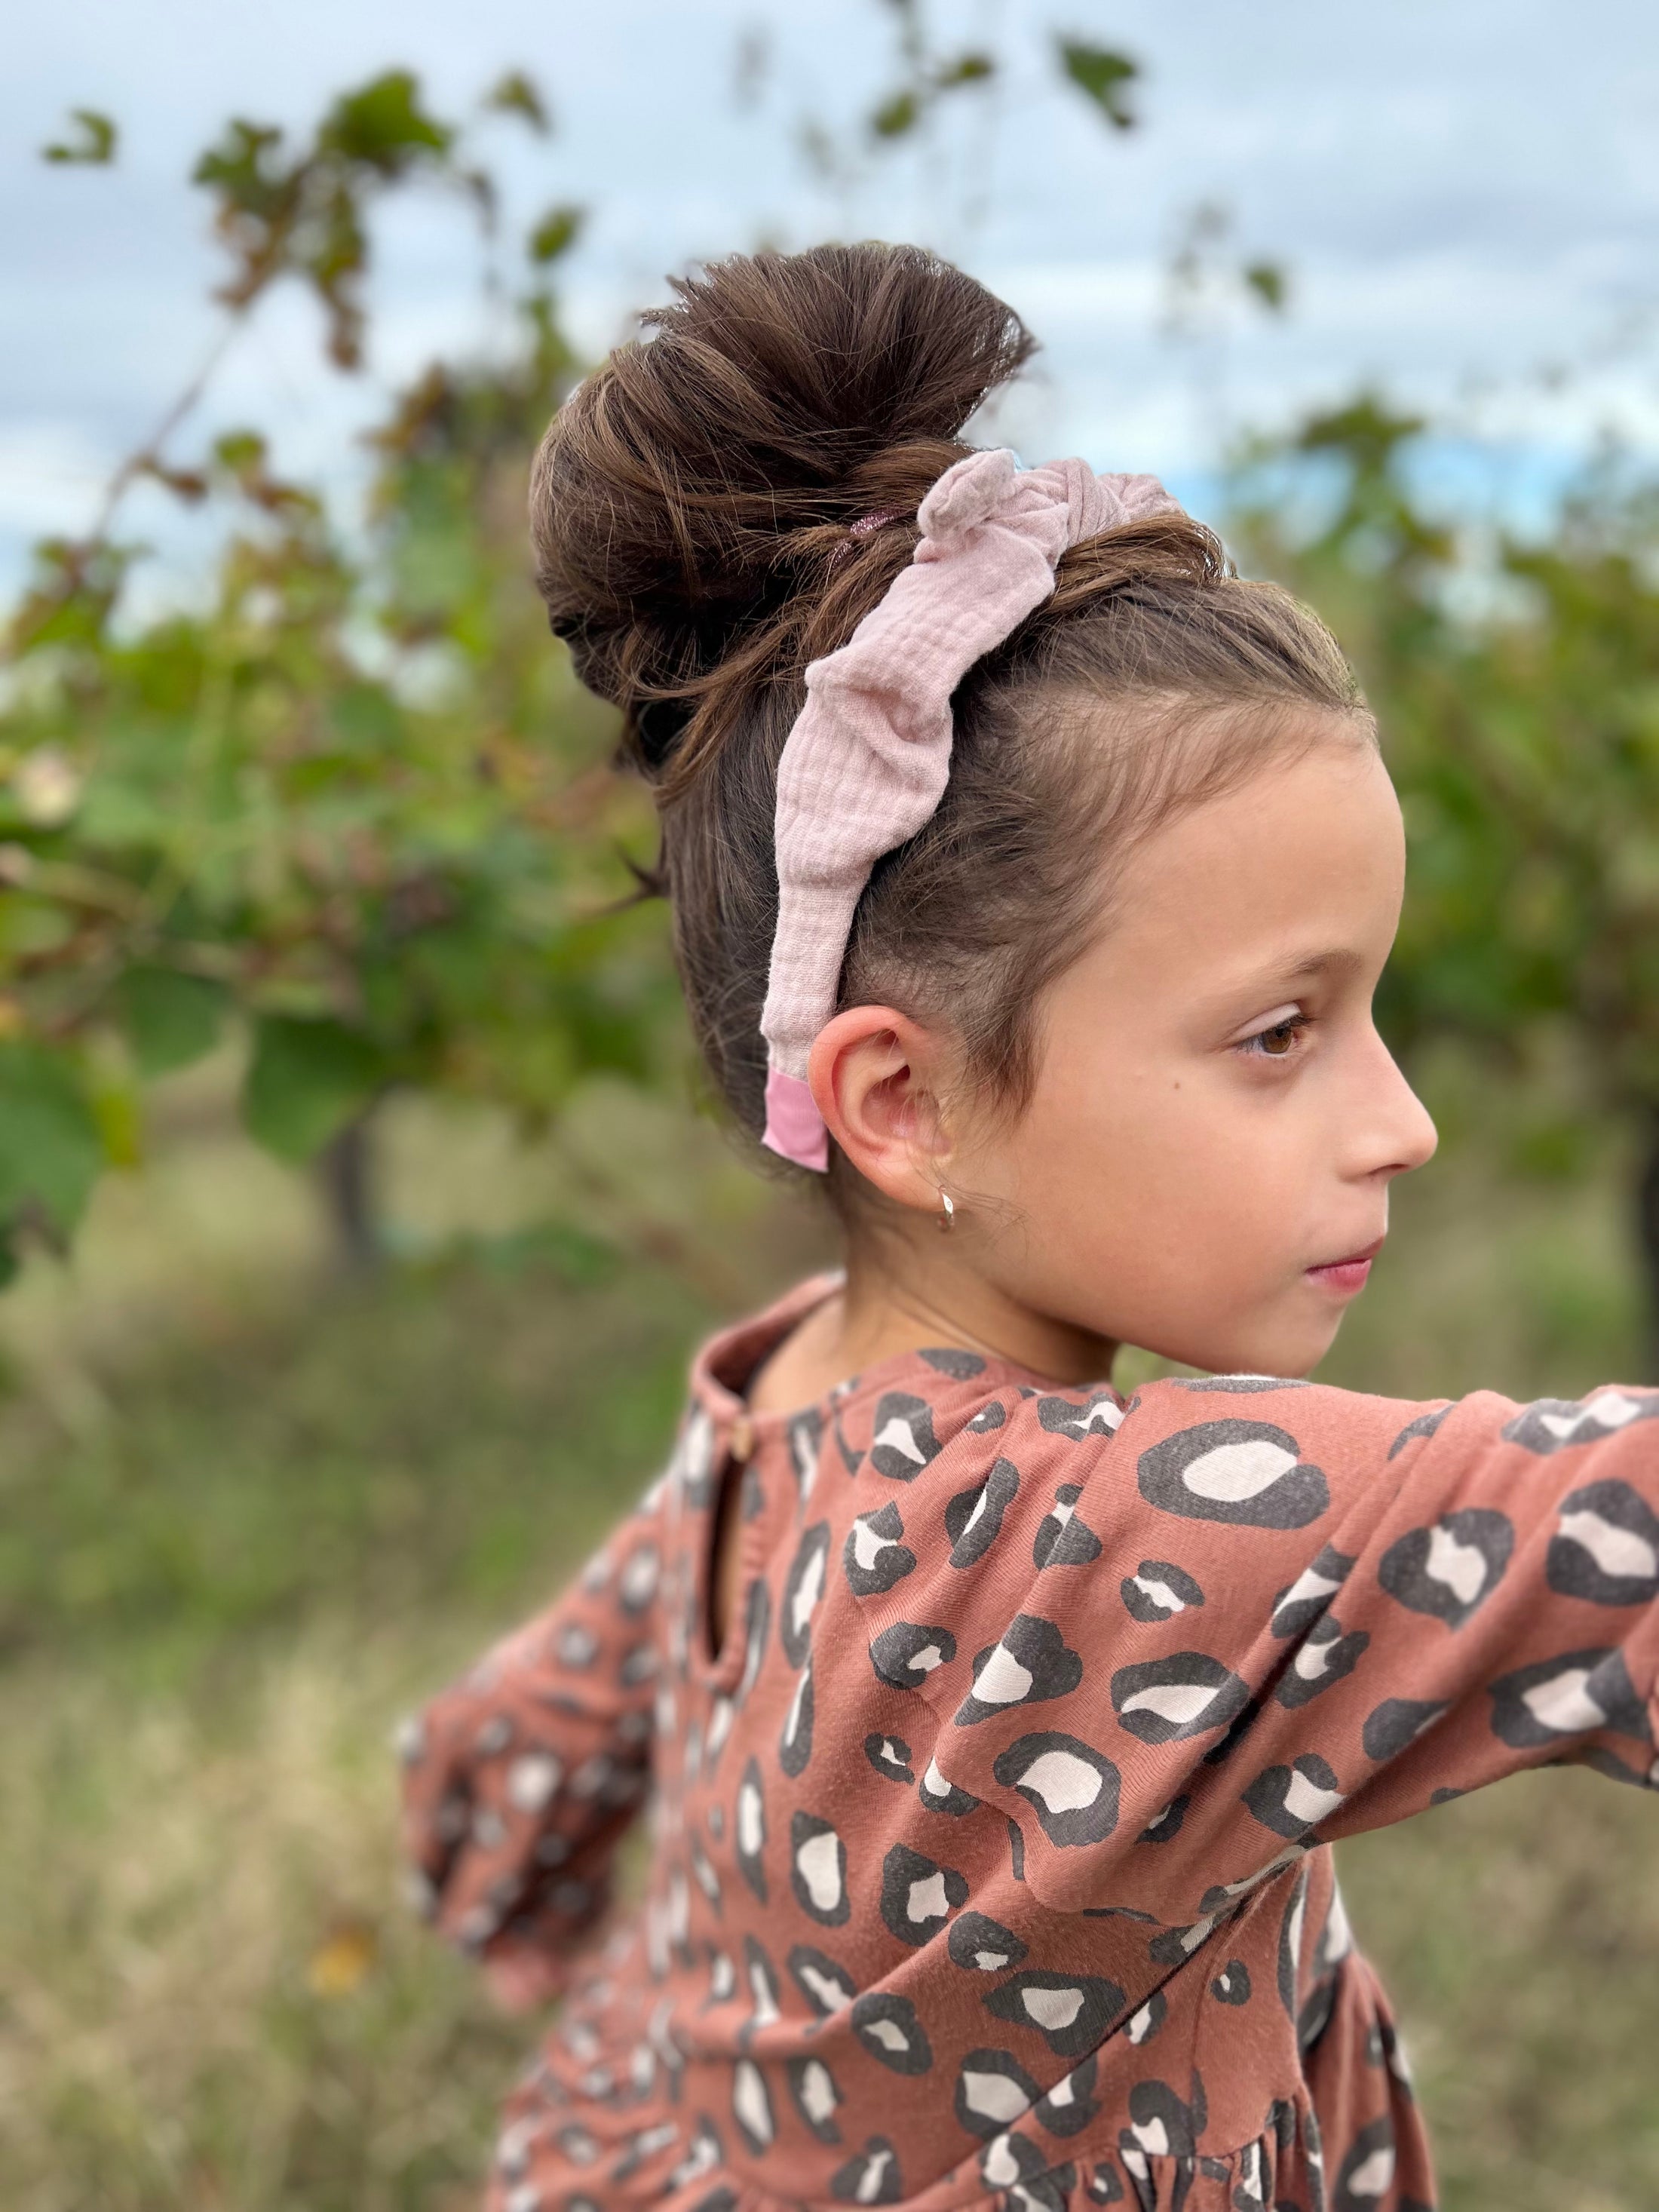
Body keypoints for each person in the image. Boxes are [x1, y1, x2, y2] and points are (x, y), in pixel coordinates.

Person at [398, 244, 1659, 2212]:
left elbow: (529, 1722)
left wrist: (527, 1869)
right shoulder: (1085, 1542)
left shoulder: (772, 1410)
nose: (1404, 1121)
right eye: (1280, 1032)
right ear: (904, 1103)